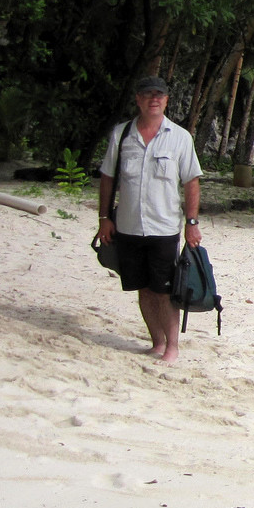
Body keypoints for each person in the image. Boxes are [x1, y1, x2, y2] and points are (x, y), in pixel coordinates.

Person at [96, 76, 204, 364]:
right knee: (142, 287)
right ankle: (157, 342)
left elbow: (191, 182)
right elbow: (108, 178)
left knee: (165, 290)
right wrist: (104, 217)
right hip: (129, 226)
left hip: (164, 227)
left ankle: (172, 347)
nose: (153, 99)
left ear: (167, 100)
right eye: (147, 94)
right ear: (138, 99)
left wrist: (191, 223)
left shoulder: (180, 137)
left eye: (159, 95)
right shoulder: (121, 135)